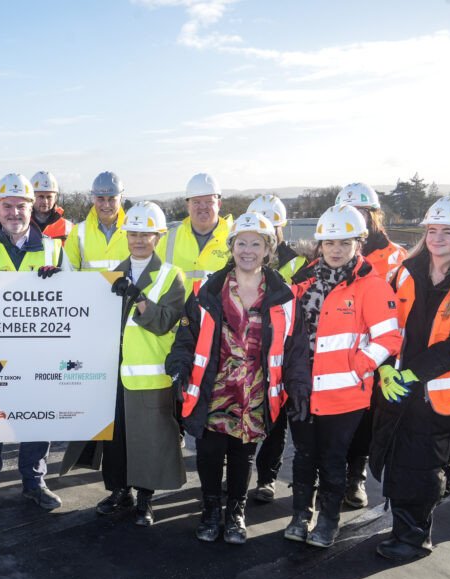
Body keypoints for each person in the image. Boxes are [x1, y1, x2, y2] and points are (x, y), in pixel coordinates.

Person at [369, 195, 450, 561]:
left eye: (449, 231)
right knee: (396, 459)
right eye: (432, 230)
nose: (438, 237)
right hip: (398, 387)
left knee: (423, 467)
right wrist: (383, 366)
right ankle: (403, 528)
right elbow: (386, 324)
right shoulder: (405, 272)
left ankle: (413, 539)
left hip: (440, 398)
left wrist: (413, 373)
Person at [166, 212, 310, 543]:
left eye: (255, 243)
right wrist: (178, 365)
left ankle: (235, 513)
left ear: (268, 248)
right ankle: (211, 510)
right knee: (209, 454)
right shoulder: (206, 291)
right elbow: (186, 336)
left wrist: (299, 386)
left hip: (255, 393)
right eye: (241, 243)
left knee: (243, 457)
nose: (247, 250)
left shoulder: (284, 297)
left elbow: (297, 347)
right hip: (213, 389)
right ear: (231, 247)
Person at [61, 202, 189, 525]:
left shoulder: (171, 277)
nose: (138, 240)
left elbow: (163, 322)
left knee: (148, 438)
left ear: (158, 237)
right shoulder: (111, 275)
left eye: (146, 234)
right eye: (133, 234)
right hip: (113, 373)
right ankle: (119, 491)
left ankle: (145, 499)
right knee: (116, 438)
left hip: (149, 374)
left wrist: (136, 296)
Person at [284, 205, 402, 548]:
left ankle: (328, 522)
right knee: (304, 457)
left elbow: (389, 338)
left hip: (344, 395)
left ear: (358, 243)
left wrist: (358, 367)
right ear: (320, 244)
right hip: (302, 389)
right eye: (329, 242)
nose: (336, 249)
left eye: (344, 242)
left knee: (333, 460)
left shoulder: (372, 287)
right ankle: (300, 516)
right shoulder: (303, 283)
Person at [0, 173, 66, 512]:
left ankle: (34, 481)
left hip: (38, 352)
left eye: (20, 205)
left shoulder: (55, 249)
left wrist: (58, 285)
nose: (14, 212)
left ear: (31, 206)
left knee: (37, 417)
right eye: (7, 206)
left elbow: (70, 303)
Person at [335, 181, 409, 508]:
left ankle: (355, 478)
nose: (358, 217)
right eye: (350, 212)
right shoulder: (334, 248)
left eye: (363, 211)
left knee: (367, 418)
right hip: (338, 349)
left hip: (379, 354)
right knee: (336, 416)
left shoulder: (397, 258)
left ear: (375, 214)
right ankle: (331, 474)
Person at [245, 193, 306, 503]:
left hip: (280, 353)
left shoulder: (299, 264)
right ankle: (239, 474)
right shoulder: (244, 257)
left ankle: (266, 478)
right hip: (247, 349)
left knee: (275, 419)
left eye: (272, 227)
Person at [164, 172, 233, 298]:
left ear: (218, 204)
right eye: (196, 202)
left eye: (208, 201)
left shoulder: (235, 238)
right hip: (175, 316)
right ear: (188, 206)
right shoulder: (168, 237)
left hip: (216, 316)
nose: (203, 207)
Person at [63, 171, 128, 271]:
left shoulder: (133, 231)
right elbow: (68, 272)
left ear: (120, 199)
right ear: (93, 198)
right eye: (101, 199)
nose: (106, 205)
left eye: (111, 199)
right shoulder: (78, 232)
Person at [29, 171, 74, 243]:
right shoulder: (20, 225)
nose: (45, 201)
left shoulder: (69, 229)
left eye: (49, 197)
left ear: (55, 197)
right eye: (41, 197)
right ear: (32, 196)